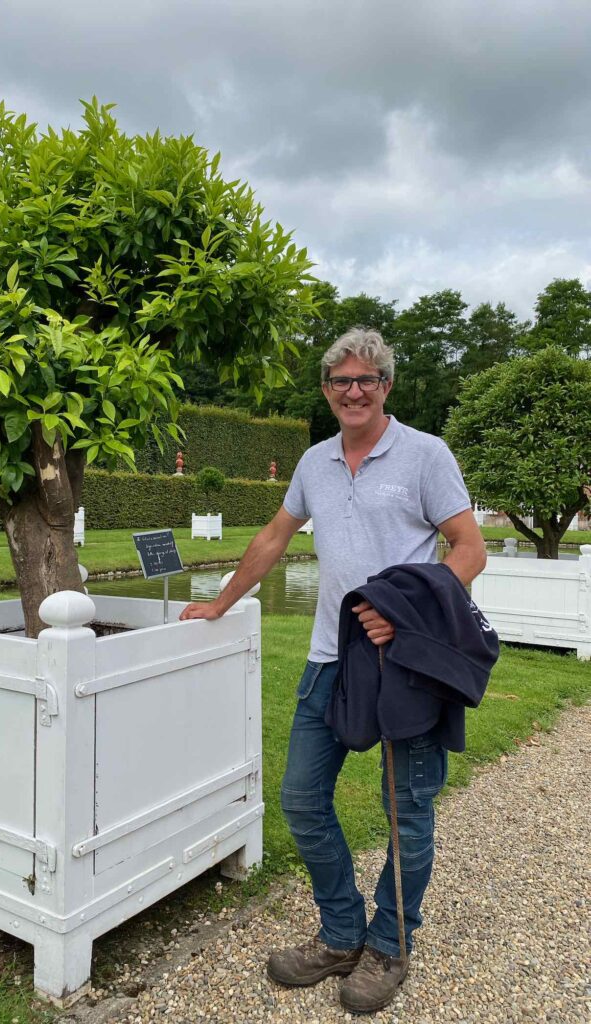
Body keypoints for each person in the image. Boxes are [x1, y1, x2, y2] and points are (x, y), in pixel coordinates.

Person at [179, 328, 486, 1014]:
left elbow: (468, 548)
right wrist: (222, 601)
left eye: (366, 380)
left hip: (403, 663)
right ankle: (342, 932)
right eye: (341, 381)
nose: (353, 391)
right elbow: (273, 536)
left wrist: (404, 614)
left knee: (405, 810)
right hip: (329, 658)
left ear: (386, 387)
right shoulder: (315, 462)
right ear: (325, 390)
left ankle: (390, 945)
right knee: (300, 799)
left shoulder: (424, 455)